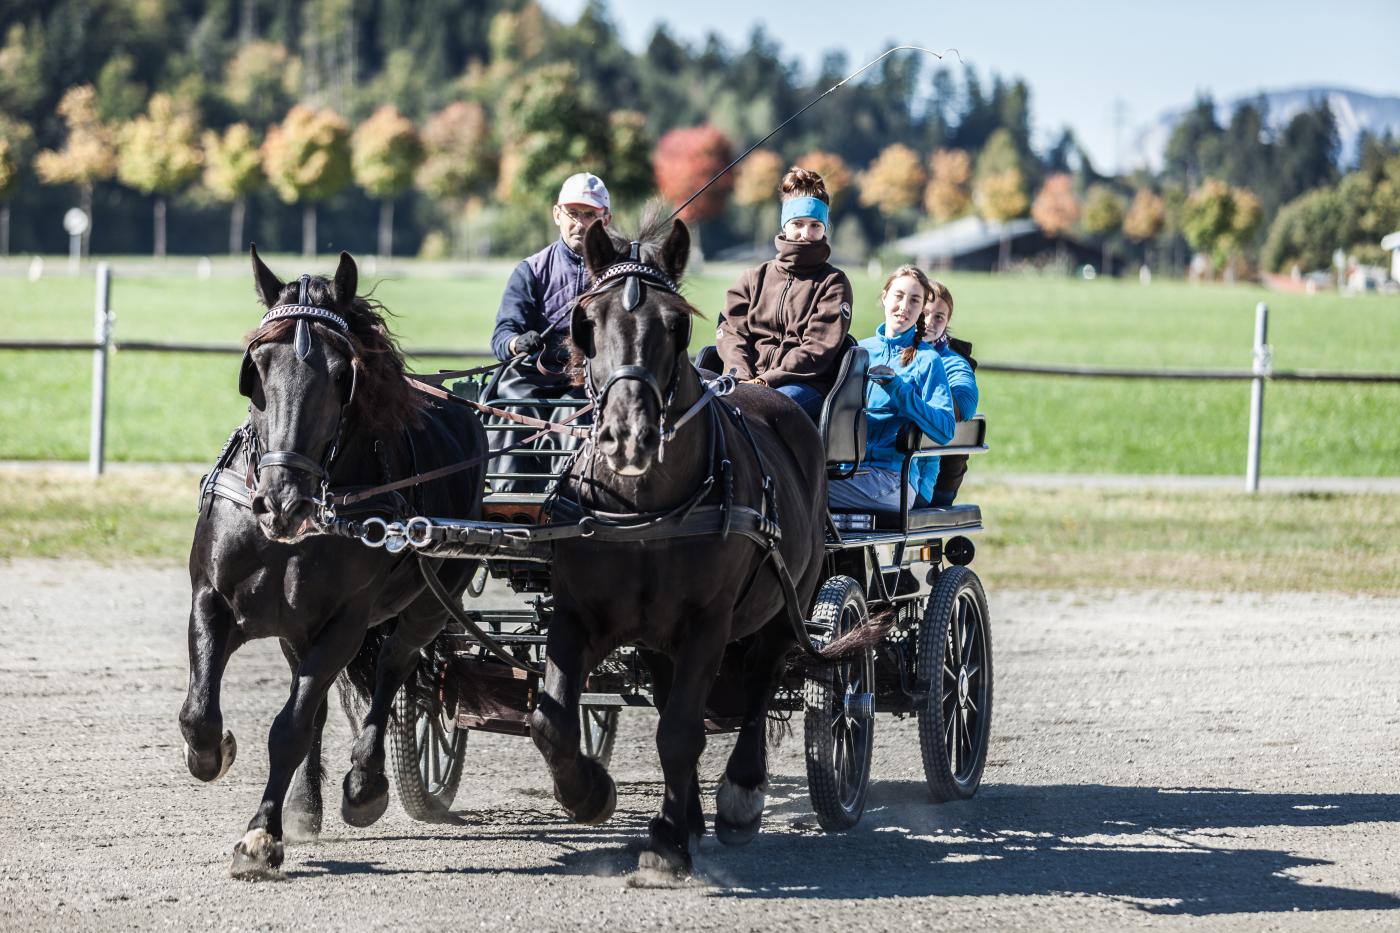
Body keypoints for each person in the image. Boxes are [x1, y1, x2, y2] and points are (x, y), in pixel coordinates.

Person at [486, 172, 610, 492]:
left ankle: (572, 498)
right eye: (573, 214)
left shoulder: (618, 274)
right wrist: (517, 342)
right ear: (557, 215)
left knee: (576, 412)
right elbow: (502, 335)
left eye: (590, 215)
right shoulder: (530, 270)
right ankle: (509, 501)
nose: (580, 224)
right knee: (516, 408)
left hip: (589, 381)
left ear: (606, 220)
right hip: (529, 380)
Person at [715, 166, 853, 420]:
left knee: (764, 412)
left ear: (825, 228)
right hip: (744, 379)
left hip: (804, 386)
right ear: (785, 225)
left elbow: (817, 350)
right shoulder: (752, 279)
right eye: (798, 224)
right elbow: (732, 334)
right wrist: (742, 378)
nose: (806, 234)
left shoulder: (833, 283)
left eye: (815, 225)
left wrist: (764, 383)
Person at [828, 265, 955, 514]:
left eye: (915, 301)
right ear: (884, 297)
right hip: (847, 471)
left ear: (921, 310)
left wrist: (899, 390)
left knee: (801, 491)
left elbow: (945, 429)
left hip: (894, 480)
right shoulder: (859, 351)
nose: (905, 307)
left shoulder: (927, 360)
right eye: (898, 296)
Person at [914, 279, 980, 507]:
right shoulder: (884, 349)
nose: (929, 322)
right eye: (923, 313)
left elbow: (966, 403)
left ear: (947, 322)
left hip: (928, 479)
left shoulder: (952, 361)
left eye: (939, 317)